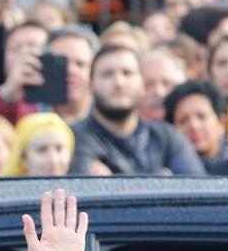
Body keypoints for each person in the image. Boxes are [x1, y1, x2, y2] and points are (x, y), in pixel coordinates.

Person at [72, 45, 206, 175]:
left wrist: (112, 181)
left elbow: (198, 191)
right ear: (90, 85)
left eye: (127, 73)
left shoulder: (168, 138)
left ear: (142, 84)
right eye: (107, 74)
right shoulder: (74, 139)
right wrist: (162, 180)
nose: (119, 82)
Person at [167, 78, 228, 161]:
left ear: (222, 123)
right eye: (183, 120)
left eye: (201, 117)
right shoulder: (166, 171)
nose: (194, 126)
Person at [11, 112, 76, 175]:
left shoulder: (80, 184)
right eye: (42, 150)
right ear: (23, 158)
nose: (53, 160)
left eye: (59, 149)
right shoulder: (7, 186)